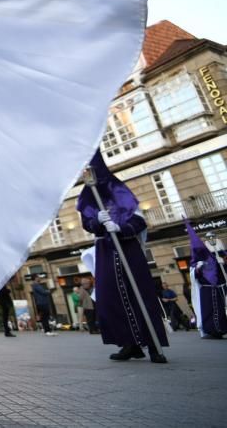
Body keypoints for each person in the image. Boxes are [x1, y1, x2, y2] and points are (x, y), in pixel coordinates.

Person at [77, 150, 168, 363]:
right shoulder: (89, 198)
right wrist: (97, 221)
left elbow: (139, 222)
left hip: (128, 250)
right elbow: (88, 224)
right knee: (112, 298)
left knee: (141, 296)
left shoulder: (122, 195)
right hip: (105, 253)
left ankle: (154, 345)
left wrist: (121, 227)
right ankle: (129, 344)